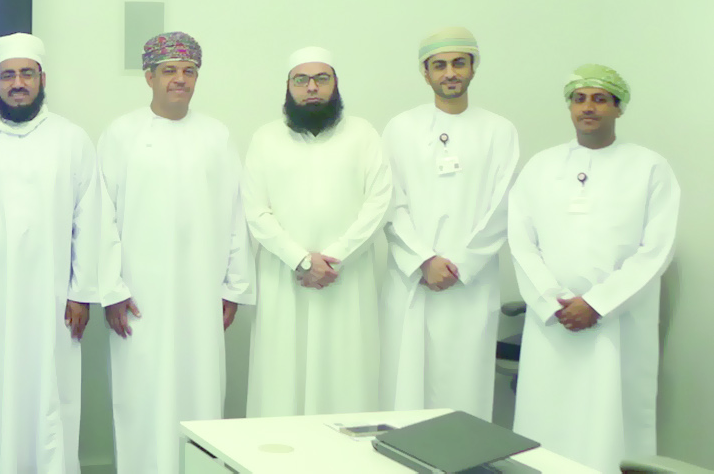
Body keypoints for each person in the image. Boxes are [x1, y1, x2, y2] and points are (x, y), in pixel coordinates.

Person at [0, 33, 109, 474]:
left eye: (27, 74)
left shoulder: (72, 140)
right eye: (8, 75)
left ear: (42, 79)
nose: (18, 83)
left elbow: (88, 220)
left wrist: (81, 293)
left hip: (51, 304)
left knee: (48, 397)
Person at [509, 64, 679, 472]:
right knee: (546, 423)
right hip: (553, 323)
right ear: (569, 106)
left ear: (619, 108)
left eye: (600, 99)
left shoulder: (650, 167)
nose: (588, 108)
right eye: (580, 99)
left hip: (618, 325)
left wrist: (598, 304)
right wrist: (554, 301)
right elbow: (521, 242)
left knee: (610, 428)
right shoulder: (541, 166)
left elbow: (656, 250)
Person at [97, 32, 253, 474]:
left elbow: (236, 213)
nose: (179, 79)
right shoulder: (121, 134)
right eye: (169, 71)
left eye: (189, 71)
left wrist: (234, 287)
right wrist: (111, 289)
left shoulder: (217, 135)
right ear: (149, 77)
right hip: (138, 298)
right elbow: (102, 215)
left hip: (200, 294)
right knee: (141, 396)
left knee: (200, 391)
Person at [379, 27, 519, 420]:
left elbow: (504, 206)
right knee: (406, 390)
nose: (450, 73)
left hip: (470, 284)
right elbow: (389, 202)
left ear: (474, 67)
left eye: (459, 63)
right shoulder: (400, 128)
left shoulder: (499, 131)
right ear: (425, 73)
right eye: (439, 65)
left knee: (464, 390)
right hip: (413, 280)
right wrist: (424, 260)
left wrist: (461, 263)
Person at [244, 46, 391, 417]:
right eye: (302, 80)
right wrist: (300, 259)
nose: (312, 88)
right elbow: (256, 211)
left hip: (345, 278)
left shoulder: (363, 135)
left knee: (346, 376)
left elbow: (379, 204)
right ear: (288, 86)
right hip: (283, 277)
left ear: (335, 84)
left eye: (321, 79)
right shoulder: (265, 138)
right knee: (281, 378)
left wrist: (333, 257)